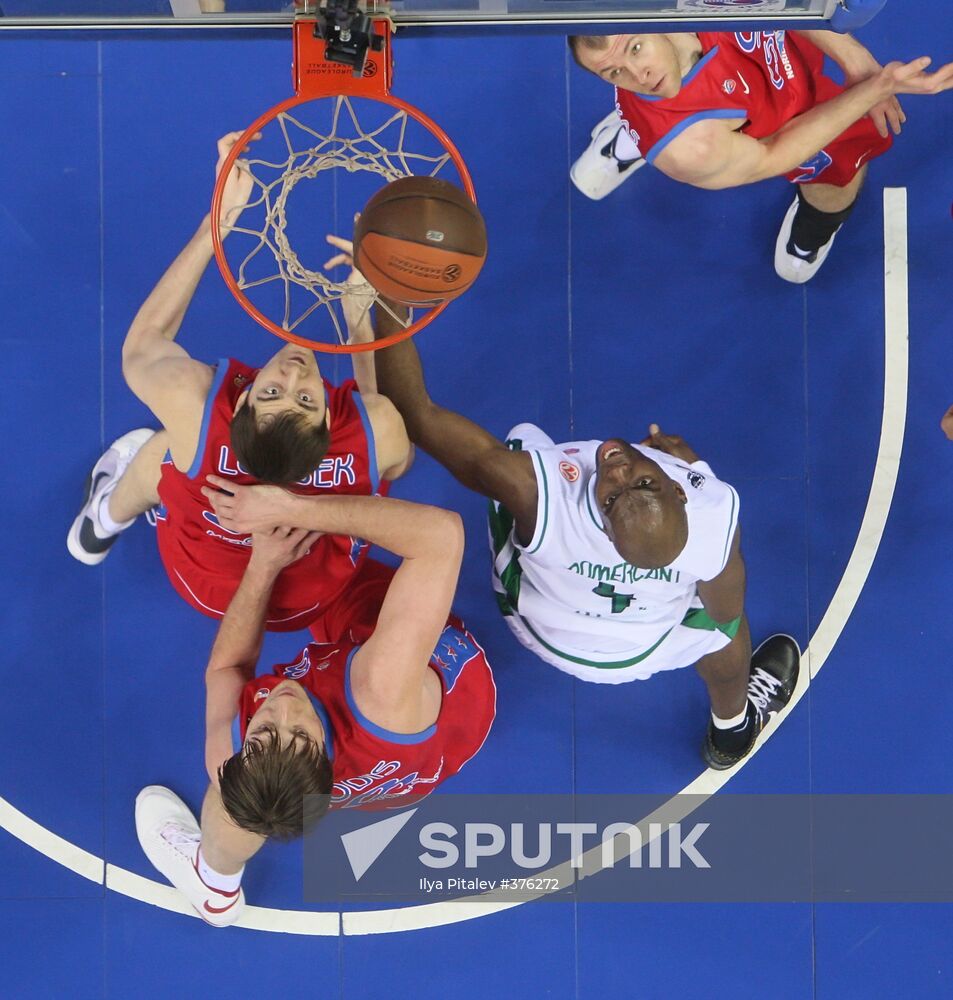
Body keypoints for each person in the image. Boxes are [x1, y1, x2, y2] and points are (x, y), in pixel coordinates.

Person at [371, 312, 799, 771]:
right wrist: (698, 473)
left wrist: (388, 296)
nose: (617, 471)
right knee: (726, 633)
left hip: (536, 627)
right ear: (678, 487)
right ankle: (732, 731)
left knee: (520, 446)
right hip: (643, 647)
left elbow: (416, 413)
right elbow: (725, 614)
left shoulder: (543, 492)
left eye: (616, 493)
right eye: (622, 491)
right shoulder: (713, 511)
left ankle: (732, 730)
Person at [66, 133, 411, 635]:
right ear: (332, 420)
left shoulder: (196, 406)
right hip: (306, 604)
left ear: (241, 401)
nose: (293, 372)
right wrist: (358, 319)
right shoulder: (376, 426)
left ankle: (101, 523)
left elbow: (142, 345)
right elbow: (392, 457)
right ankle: (99, 524)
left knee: (167, 449)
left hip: (201, 579)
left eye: (273, 393)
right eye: (304, 397)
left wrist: (219, 221)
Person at [135, 486, 496, 926]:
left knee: (240, 801)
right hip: (455, 696)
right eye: (301, 734)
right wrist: (291, 508)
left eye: (265, 732)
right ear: (324, 757)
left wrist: (263, 565)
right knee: (311, 532)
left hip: (394, 778)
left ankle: (214, 882)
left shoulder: (235, 755)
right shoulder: (380, 685)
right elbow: (442, 536)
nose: (283, 707)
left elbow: (226, 668)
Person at [568, 29, 953, 281]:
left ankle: (634, 132)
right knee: (833, 174)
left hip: (782, 47)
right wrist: (876, 87)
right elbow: (774, 154)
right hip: (752, 126)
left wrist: (850, 52)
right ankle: (642, 133)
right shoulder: (692, 149)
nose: (638, 75)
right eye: (614, 73)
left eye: (637, 49)